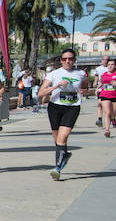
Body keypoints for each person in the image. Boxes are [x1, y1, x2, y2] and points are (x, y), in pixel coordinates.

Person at [37, 48, 88, 180]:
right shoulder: (54, 74)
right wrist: (56, 86)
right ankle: (62, 158)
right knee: (57, 140)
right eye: (64, 59)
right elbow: (41, 93)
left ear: (74, 60)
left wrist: (84, 91)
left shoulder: (81, 74)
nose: (67, 61)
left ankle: (57, 168)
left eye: (70, 59)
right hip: (55, 108)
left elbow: (85, 86)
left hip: (72, 107)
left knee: (63, 138)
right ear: (61, 60)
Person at [96, 58, 116, 137]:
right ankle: (107, 130)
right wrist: (97, 88)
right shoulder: (104, 74)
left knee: (114, 112)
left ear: (115, 66)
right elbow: (101, 82)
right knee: (107, 113)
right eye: (108, 65)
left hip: (114, 95)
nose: (110, 66)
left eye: (112, 65)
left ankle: (113, 118)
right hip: (105, 95)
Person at [94, 55, 110, 127]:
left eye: (107, 59)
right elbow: (97, 77)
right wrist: (95, 83)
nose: (105, 61)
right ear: (102, 60)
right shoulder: (98, 68)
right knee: (100, 103)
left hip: (111, 90)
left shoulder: (111, 68)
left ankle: (112, 118)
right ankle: (99, 119)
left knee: (110, 106)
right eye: (104, 59)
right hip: (101, 89)